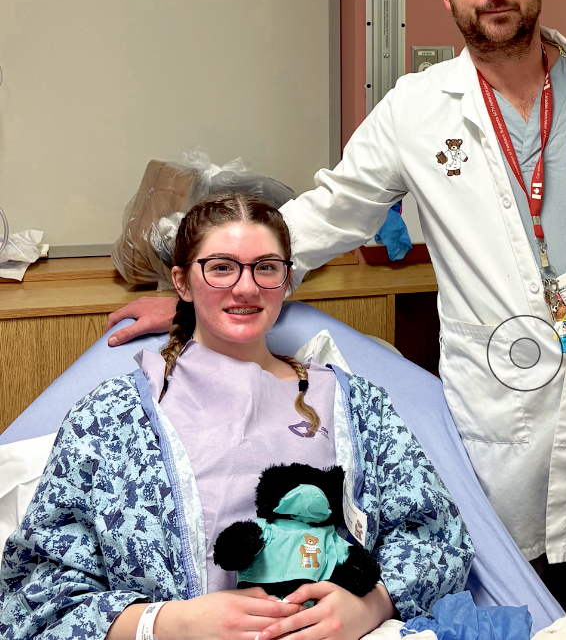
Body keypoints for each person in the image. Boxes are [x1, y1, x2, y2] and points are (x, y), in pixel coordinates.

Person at [104, 0, 566, 639]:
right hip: (496, 436)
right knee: (503, 617)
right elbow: (324, 214)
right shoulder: (416, 109)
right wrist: (193, 301)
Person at [1, 193, 472, 639]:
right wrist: (171, 623)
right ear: (181, 282)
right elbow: (34, 596)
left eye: (266, 268)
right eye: (221, 268)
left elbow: (439, 540)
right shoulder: (109, 421)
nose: (246, 287)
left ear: (287, 280)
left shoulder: (356, 405)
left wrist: (369, 605)